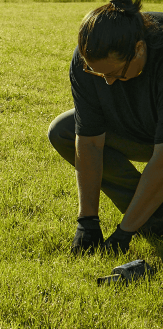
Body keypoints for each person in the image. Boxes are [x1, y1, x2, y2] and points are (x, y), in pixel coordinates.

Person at [48, 0, 163, 255]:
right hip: (140, 127)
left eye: (115, 73)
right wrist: (86, 221)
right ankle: (156, 218)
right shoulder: (86, 61)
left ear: (139, 49)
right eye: (98, 75)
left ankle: (143, 215)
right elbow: (88, 141)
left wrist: (125, 231)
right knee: (63, 130)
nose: (108, 82)